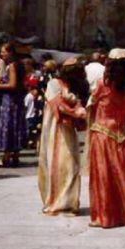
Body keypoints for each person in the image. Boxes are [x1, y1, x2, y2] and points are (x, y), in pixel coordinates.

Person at [88, 58, 125, 228]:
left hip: (102, 135)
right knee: (122, 177)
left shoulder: (102, 86)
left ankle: (104, 216)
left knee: (103, 176)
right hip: (121, 137)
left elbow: (92, 105)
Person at [38, 58, 88, 217]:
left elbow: (76, 102)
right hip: (54, 127)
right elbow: (57, 105)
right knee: (57, 163)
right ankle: (57, 203)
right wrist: (76, 111)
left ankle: (68, 202)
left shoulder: (72, 86)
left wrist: (79, 109)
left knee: (71, 164)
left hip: (68, 129)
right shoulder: (53, 83)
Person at [0, 43, 27, 167]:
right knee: (16, 125)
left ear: (10, 52)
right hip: (18, 99)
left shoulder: (12, 66)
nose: (1, 54)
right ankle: (15, 156)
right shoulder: (20, 65)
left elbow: (12, 84)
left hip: (10, 99)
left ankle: (6, 156)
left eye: (3, 52)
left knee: (9, 126)